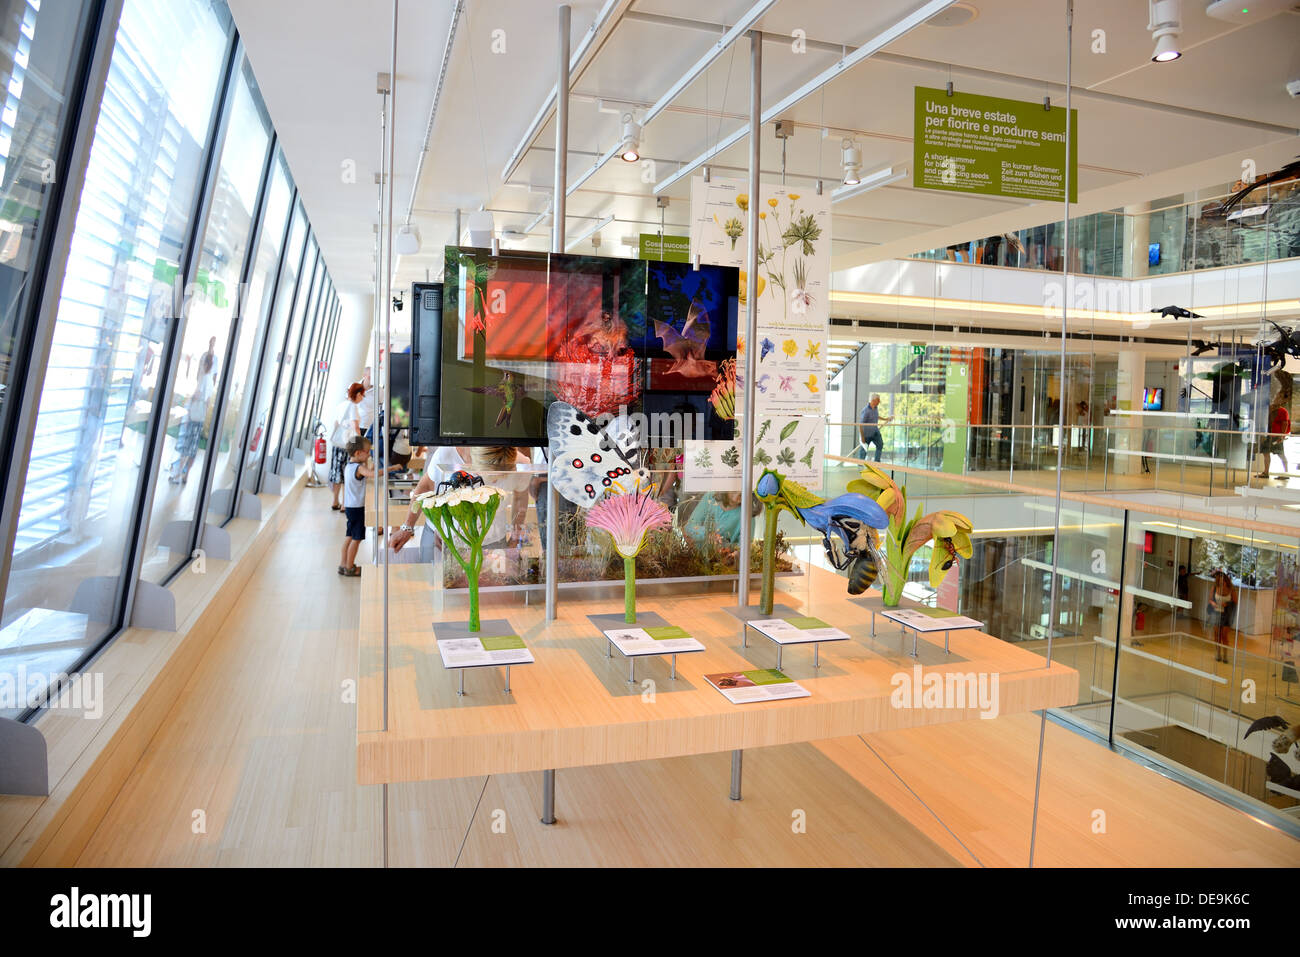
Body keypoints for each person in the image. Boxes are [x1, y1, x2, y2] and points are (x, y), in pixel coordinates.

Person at [339, 436, 376, 577]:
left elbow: (367, 473)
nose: (369, 454)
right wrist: (390, 468)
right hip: (357, 508)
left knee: (349, 536)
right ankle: (350, 567)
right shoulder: (359, 468)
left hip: (350, 507)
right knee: (356, 538)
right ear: (358, 453)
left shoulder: (350, 466)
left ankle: (343, 564)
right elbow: (372, 474)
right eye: (367, 452)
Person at [328, 384, 364, 510]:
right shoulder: (353, 407)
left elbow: (335, 423)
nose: (362, 398)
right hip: (347, 444)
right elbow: (355, 426)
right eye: (362, 395)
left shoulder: (341, 405)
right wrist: (361, 442)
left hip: (337, 444)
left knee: (336, 472)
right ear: (358, 394)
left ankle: (334, 500)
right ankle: (344, 504)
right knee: (346, 473)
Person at [1256, 399, 1291, 479]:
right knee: (1266, 453)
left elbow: (1285, 423)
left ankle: (1286, 473)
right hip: (1267, 434)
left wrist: (1282, 436)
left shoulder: (1282, 411)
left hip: (1276, 435)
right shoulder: (1267, 410)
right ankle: (1266, 472)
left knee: (1280, 454)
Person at [1207, 569, 1235, 663]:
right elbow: (1210, 600)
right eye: (1219, 580)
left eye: (1222, 580)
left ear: (1226, 580)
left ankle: (1225, 655)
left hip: (1226, 615)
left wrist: (1227, 604)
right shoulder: (1214, 588)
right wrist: (1213, 603)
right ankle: (1218, 653)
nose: (1221, 582)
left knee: (1224, 636)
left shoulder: (1231, 589)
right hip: (1216, 613)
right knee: (1217, 635)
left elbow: (1235, 602)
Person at [856, 394, 891, 462]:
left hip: (875, 432)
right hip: (867, 434)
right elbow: (860, 424)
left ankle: (877, 462)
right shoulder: (866, 411)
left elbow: (876, 416)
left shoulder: (875, 408)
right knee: (864, 450)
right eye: (878, 400)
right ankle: (860, 465)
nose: (879, 402)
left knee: (880, 445)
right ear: (873, 400)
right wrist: (862, 437)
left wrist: (886, 419)